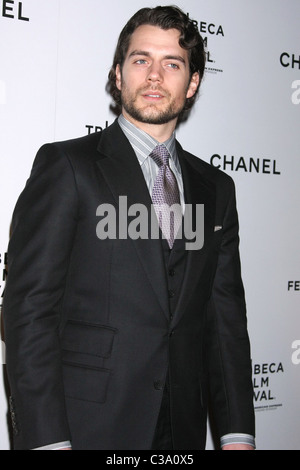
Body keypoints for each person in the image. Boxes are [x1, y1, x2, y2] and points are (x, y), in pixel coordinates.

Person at [3, 6, 255, 450]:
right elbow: (28, 312)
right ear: (118, 75)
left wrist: (237, 434)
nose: (154, 75)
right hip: (84, 428)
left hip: (182, 430)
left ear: (192, 82)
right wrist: (46, 441)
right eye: (140, 60)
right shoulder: (68, 166)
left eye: (172, 63)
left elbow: (225, 321)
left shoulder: (217, 188)